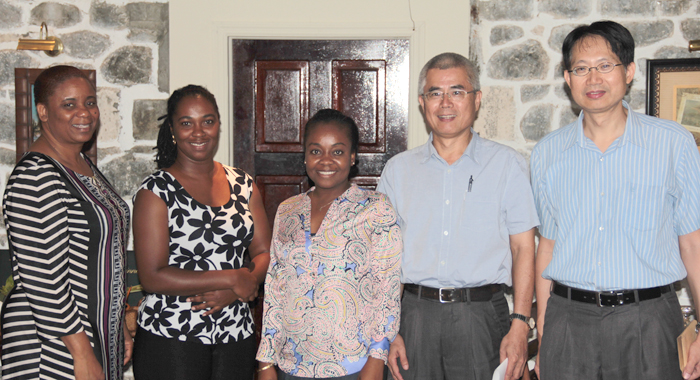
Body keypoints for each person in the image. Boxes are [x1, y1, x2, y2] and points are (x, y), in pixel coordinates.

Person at [531, 20, 700, 380]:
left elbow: (693, 244)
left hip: (649, 320)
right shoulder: (547, 153)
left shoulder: (673, 144)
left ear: (629, 72)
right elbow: (547, 246)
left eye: (605, 66)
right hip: (568, 321)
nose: (593, 79)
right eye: (581, 69)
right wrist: (545, 332)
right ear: (567, 78)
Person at [378, 53, 539, 380]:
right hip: (414, 317)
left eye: (457, 91)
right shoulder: (398, 170)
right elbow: (384, 257)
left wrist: (520, 324)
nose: (445, 103)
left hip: (480, 317)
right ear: (423, 103)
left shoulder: (507, 166)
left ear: (476, 99)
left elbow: (524, 249)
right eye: (435, 93)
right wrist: (388, 329)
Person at [131, 85, 271, 380]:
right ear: (172, 129)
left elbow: (264, 252)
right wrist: (231, 278)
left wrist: (232, 293)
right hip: (170, 335)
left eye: (207, 121)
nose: (198, 132)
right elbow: (152, 275)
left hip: (236, 333)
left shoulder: (243, 183)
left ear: (218, 125)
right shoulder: (156, 191)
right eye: (186, 123)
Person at [1, 65, 131, 379]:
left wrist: (117, 326)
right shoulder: (36, 176)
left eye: (89, 102)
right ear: (43, 112)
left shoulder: (81, 163)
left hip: (93, 335)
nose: (84, 113)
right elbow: (42, 275)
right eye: (68, 104)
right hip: (52, 347)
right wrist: (81, 352)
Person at [256, 109, 402, 380]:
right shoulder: (288, 210)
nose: (325, 161)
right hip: (291, 366)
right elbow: (275, 289)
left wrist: (377, 356)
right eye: (315, 151)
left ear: (353, 156)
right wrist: (265, 361)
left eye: (337, 151)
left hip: (352, 366)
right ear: (305, 157)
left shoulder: (375, 209)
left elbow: (388, 290)